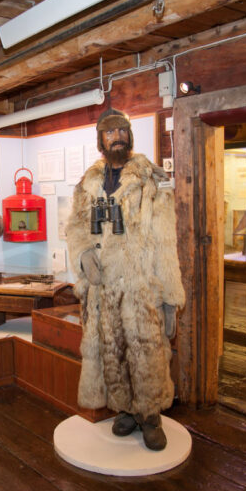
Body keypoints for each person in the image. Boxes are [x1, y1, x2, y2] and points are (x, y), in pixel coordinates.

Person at [66, 108, 185, 451]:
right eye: (109, 132)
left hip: (140, 285)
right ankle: (127, 411)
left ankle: (150, 416)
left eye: (121, 130)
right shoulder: (88, 183)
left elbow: (164, 240)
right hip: (104, 289)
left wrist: (168, 298)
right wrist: (84, 254)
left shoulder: (150, 181)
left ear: (129, 136)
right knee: (113, 353)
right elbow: (76, 226)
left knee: (147, 352)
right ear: (100, 140)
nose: (116, 136)